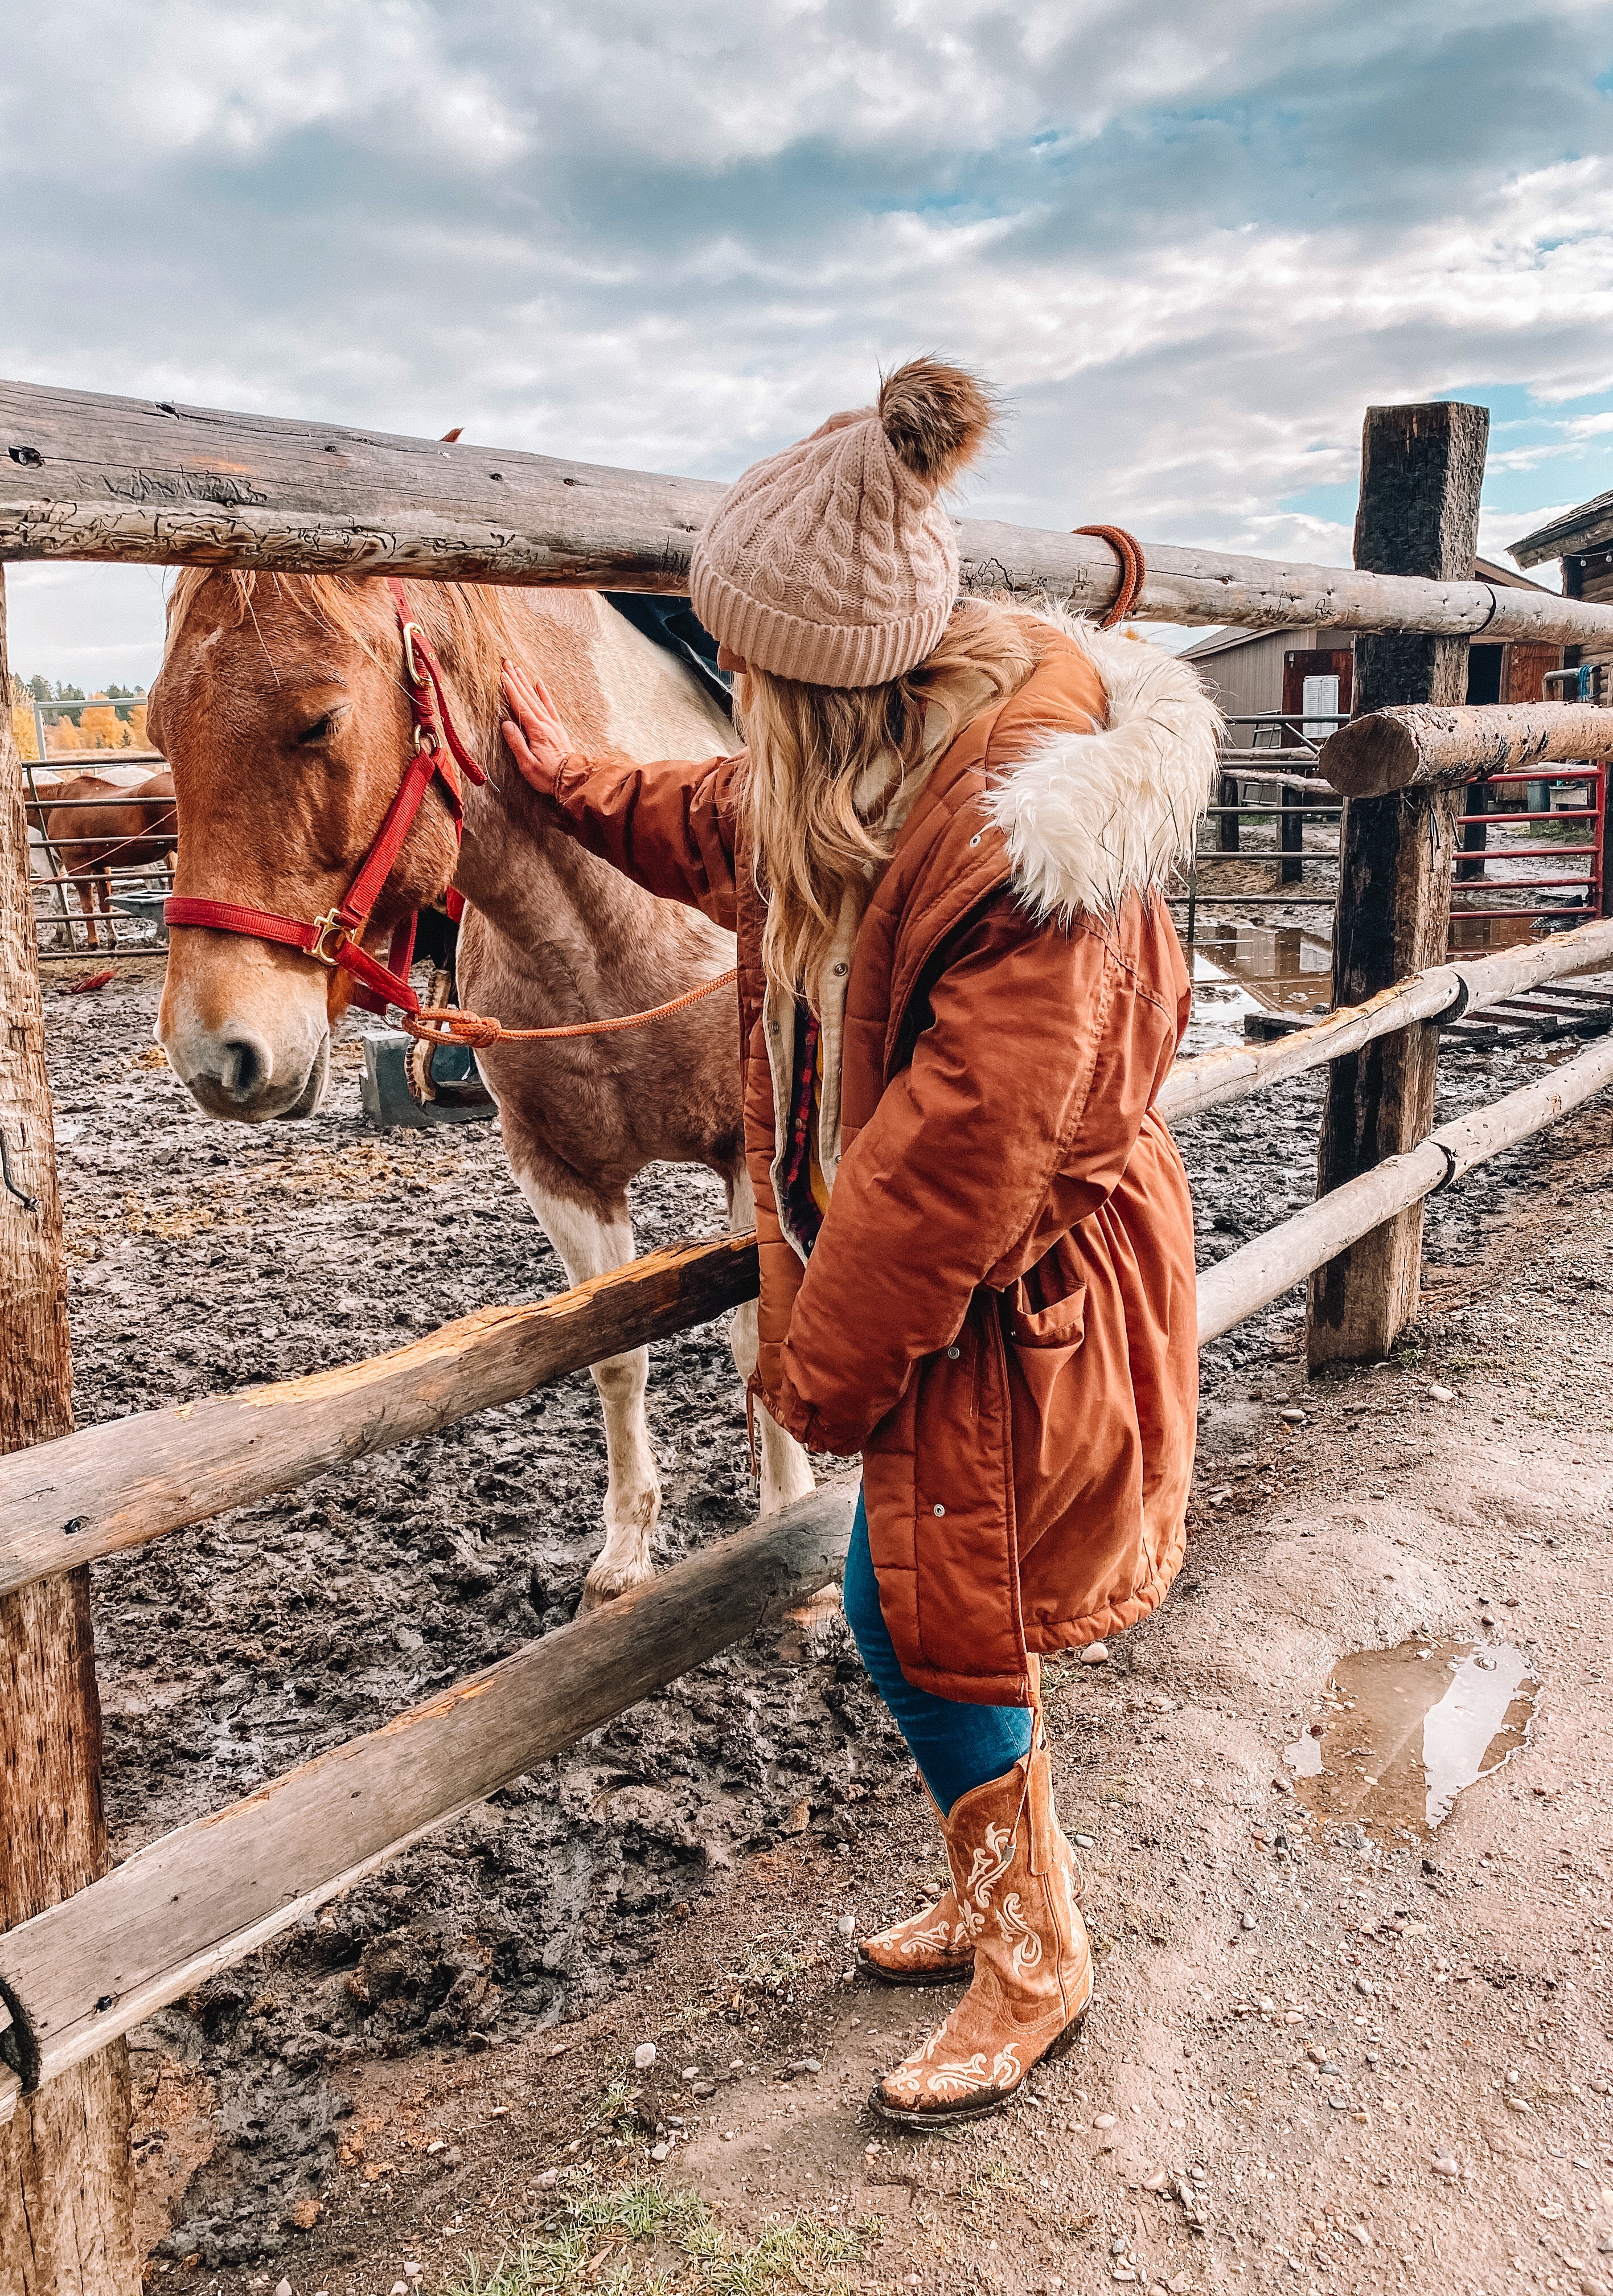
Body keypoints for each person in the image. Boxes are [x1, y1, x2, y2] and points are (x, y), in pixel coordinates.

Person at [498, 358, 1220, 2129]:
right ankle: (1001, 1899)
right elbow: (719, 825)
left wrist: (817, 1374)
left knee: (927, 1621)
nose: (730, 701)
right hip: (947, 1301)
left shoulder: (1015, 865)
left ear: (814, 680)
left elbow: (949, 1173)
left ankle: (1038, 1955)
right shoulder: (874, 772)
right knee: (919, 1610)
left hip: (1008, 1300)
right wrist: (574, 783)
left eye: (744, 674)